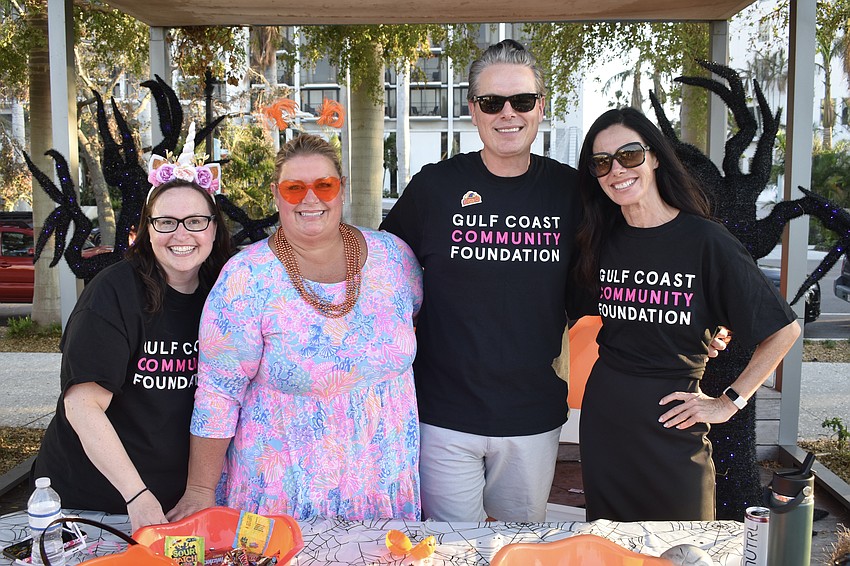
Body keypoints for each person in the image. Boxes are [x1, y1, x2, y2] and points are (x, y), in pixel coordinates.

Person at [168, 133, 423, 521]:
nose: (310, 198)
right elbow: (218, 394)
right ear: (276, 193)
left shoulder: (394, 257)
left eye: (324, 185)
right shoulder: (246, 277)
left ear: (341, 188)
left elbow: (413, 322)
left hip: (383, 485)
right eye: (294, 188)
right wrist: (200, 490)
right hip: (283, 492)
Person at [380, 39, 582, 522]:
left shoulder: (573, 192)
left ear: (541, 107)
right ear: (473, 110)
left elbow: (622, 268)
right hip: (442, 412)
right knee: (449, 551)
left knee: (516, 548)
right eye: (492, 102)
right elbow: (381, 274)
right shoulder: (435, 186)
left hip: (531, 414)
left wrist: (706, 321)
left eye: (522, 101)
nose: (507, 113)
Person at [573, 107, 801, 522]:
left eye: (629, 155)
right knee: (611, 547)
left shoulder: (706, 241)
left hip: (675, 425)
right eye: (601, 162)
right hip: (605, 422)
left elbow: (783, 330)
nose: (616, 170)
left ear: (655, 156)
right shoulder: (599, 241)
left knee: (685, 546)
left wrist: (729, 402)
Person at [32, 175, 234, 532]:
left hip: (178, 502)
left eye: (196, 221)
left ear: (214, 229)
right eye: (166, 222)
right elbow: (83, 405)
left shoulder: (226, 292)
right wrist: (136, 494)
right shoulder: (113, 292)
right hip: (93, 501)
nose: (182, 234)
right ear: (148, 230)